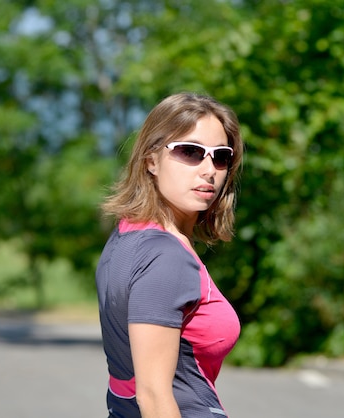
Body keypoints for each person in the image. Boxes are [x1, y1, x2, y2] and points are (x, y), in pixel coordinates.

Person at [96, 92, 244, 418]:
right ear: (151, 160)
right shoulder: (166, 257)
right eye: (190, 152)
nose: (209, 170)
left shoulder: (124, 236)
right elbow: (152, 396)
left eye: (220, 157)